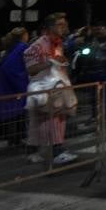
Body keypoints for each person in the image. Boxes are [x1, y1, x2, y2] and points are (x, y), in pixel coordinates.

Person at [24, 13, 77, 166]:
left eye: (64, 24)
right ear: (50, 27)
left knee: (42, 122)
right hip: (42, 89)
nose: (64, 27)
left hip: (55, 88)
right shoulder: (38, 45)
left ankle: (32, 150)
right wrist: (49, 63)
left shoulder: (58, 43)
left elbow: (57, 64)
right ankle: (57, 152)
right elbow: (31, 69)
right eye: (60, 24)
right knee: (53, 120)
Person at [73, 21, 106, 128]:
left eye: (102, 28)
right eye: (98, 29)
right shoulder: (93, 41)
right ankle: (95, 115)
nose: (99, 31)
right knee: (93, 95)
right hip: (93, 71)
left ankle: (105, 116)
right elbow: (85, 52)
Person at [0, 27, 30, 148]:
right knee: (17, 113)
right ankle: (16, 138)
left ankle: (13, 139)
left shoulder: (11, 48)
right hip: (15, 84)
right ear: (24, 36)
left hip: (6, 84)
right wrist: (23, 83)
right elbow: (16, 67)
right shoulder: (23, 47)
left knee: (11, 113)